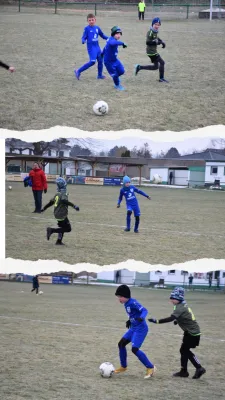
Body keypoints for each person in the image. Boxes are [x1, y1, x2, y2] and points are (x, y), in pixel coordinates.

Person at [148, 287, 206, 379]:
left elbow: (171, 318)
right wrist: (178, 320)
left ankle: (198, 368)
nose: (171, 300)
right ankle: (184, 371)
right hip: (189, 332)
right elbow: (184, 316)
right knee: (184, 350)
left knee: (185, 350)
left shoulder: (180, 307)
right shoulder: (181, 305)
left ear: (179, 298)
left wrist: (157, 321)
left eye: (173, 298)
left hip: (192, 333)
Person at [114, 284, 156, 379]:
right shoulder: (126, 304)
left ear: (125, 296)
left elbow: (144, 310)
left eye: (120, 297)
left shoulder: (133, 302)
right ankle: (123, 366)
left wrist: (141, 317)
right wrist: (130, 320)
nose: (119, 299)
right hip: (133, 328)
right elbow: (133, 314)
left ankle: (150, 367)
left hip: (141, 329)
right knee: (121, 344)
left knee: (134, 349)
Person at [41, 177, 80, 245]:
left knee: (62, 227)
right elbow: (64, 201)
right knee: (68, 229)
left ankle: (59, 241)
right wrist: (74, 206)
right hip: (61, 214)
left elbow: (51, 203)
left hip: (57, 213)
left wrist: (44, 208)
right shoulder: (63, 193)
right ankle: (51, 230)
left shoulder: (58, 193)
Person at [134, 17, 168, 83]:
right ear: (152, 24)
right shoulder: (150, 32)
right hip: (151, 52)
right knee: (162, 62)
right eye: (155, 24)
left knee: (155, 67)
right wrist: (157, 42)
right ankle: (161, 78)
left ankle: (139, 67)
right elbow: (147, 42)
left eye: (158, 24)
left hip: (153, 51)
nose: (157, 26)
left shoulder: (155, 32)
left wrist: (161, 42)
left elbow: (156, 38)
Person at [74, 14, 108, 80]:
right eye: (89, 20)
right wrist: (83, 40)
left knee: (100, 61)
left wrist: (109, 38)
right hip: (91, 48)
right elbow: (83, 37)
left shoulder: (97, 28)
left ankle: (99, 75)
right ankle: (78, 71)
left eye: (92, 20)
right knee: (92, 62)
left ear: (95, 20)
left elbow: (103, 35)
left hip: (97, 47)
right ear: (87, 21)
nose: (91, 21)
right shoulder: (87, 29)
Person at [102, 26, 127, 91]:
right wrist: (122, 43)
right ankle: (117, 85)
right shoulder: (111, 40)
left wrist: (102, 53)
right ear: (113, 34)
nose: (118, 35)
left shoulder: (112, 39)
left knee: (122, 71)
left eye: (119, 34)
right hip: (108, 62)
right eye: (117, 34)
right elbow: (113, 43)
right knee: (115, 74)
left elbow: (105, 47)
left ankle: (116, 77)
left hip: (114, 60)